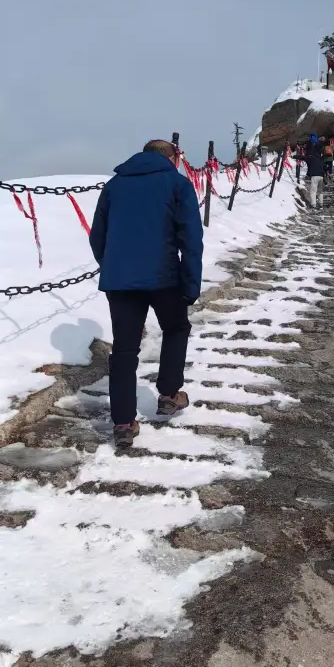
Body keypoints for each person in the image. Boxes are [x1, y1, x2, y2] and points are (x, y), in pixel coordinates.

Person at [89, 139, 204, 449]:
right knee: (176, 327)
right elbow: (191, 239)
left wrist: (113, 267)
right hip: (164, 276)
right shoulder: (177, 184)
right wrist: (191, 285)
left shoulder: (114, 185)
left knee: (125, 349)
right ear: (172, 157)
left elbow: (97, 236)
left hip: (121, 281)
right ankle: (168, 395)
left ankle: (124, 423)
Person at [305, 134, 324, 209]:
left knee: (313, 191)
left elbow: (307, 161)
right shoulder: (321, 159)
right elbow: (324, 167)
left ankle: (313, 204)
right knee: (320, 191)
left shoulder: (312, 159)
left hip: (314, 176)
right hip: (321, 176)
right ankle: (321, 203)